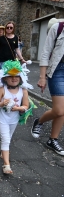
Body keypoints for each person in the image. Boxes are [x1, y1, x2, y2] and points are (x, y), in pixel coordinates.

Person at [0, 60, 34, 174]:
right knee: (6, 138)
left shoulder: (24, 91)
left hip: (14, 118)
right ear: (5, 78)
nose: (14, 78)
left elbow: (26, 105)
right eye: (10, 76)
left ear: (21, 77)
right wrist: (2, 103)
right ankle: (6, 165)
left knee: (9, 136)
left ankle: (3, 151)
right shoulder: (2, 90)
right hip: (3, 117)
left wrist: (18, 108)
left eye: (16, 76)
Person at [31, 19, 64, 156]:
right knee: (59, 109)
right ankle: (39, 121)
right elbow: (45, 52)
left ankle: (53, 139)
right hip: (57, 71)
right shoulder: (58, 28)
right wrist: (42, 77)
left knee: (63, 110)